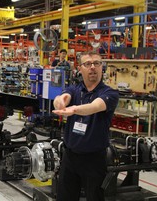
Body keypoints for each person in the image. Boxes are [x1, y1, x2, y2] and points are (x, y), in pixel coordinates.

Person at [52, 51, 119, 201]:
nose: (93, 67)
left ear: (102, 67)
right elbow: (63, 97)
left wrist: (73, 109)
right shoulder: (75, 90)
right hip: (70, 157)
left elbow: (95, 106)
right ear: (80, 69)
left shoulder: (110, 93)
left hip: (94, 159)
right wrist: (60, 102)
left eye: (97, 63)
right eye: (87, 64)